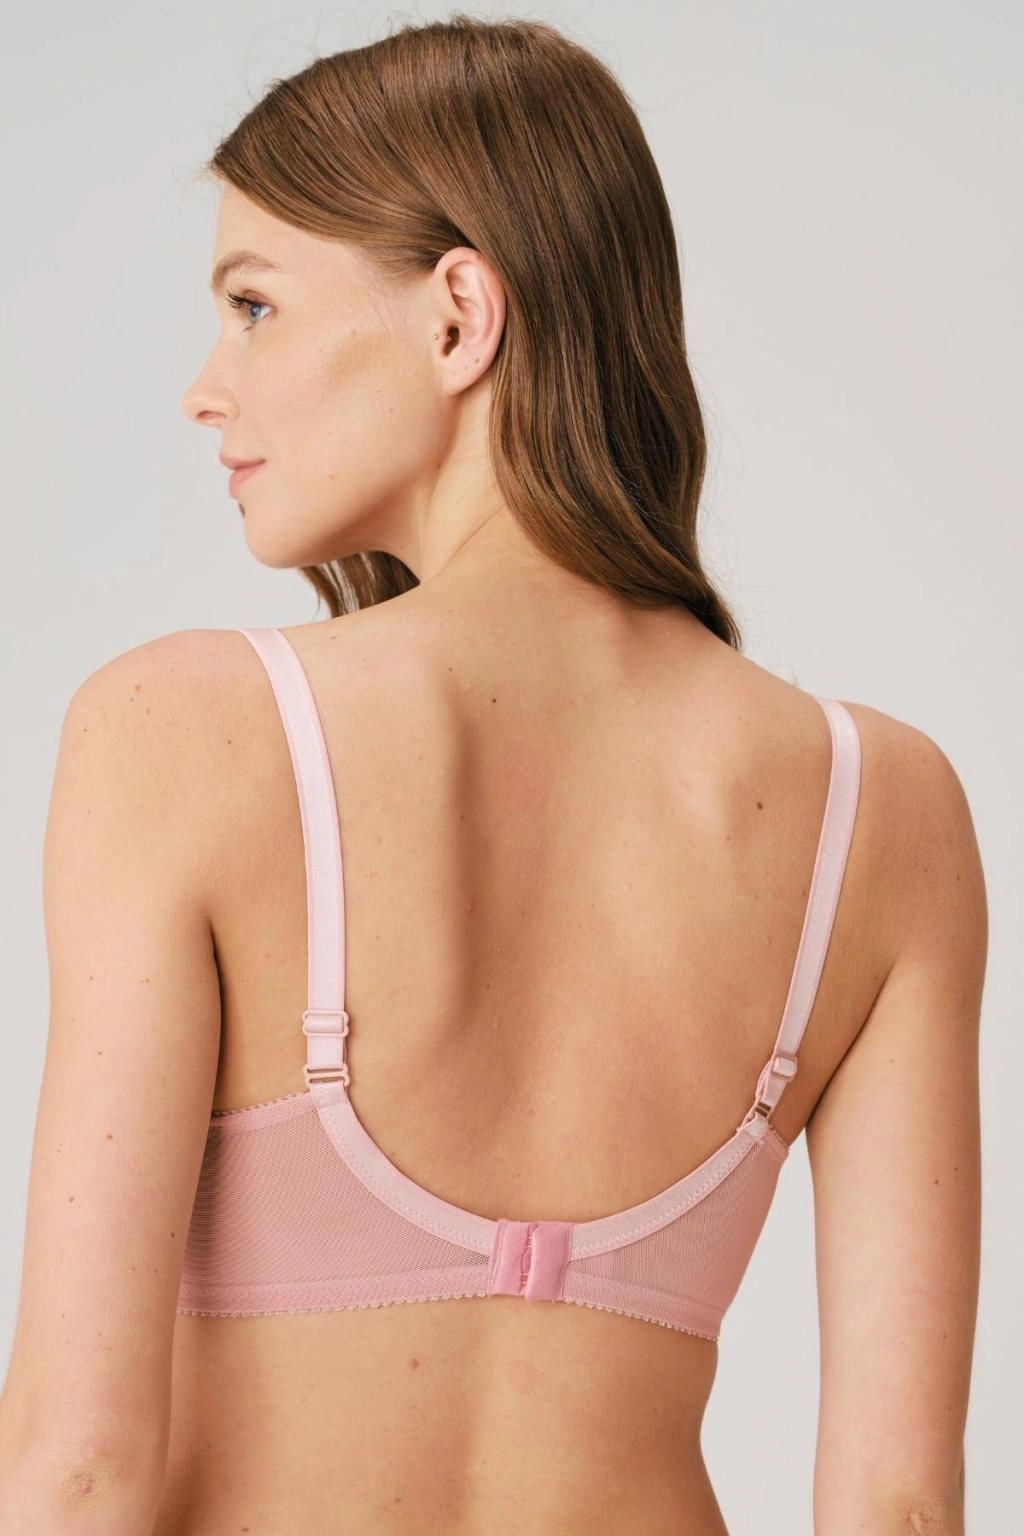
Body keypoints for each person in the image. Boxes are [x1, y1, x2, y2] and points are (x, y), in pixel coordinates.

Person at [0, 16, 984, 1535]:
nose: (206, 387)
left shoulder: (185, 730)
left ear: (460, 315)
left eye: (254, 306)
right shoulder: (883, 807)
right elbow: (900, 1503)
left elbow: (76, 1470)